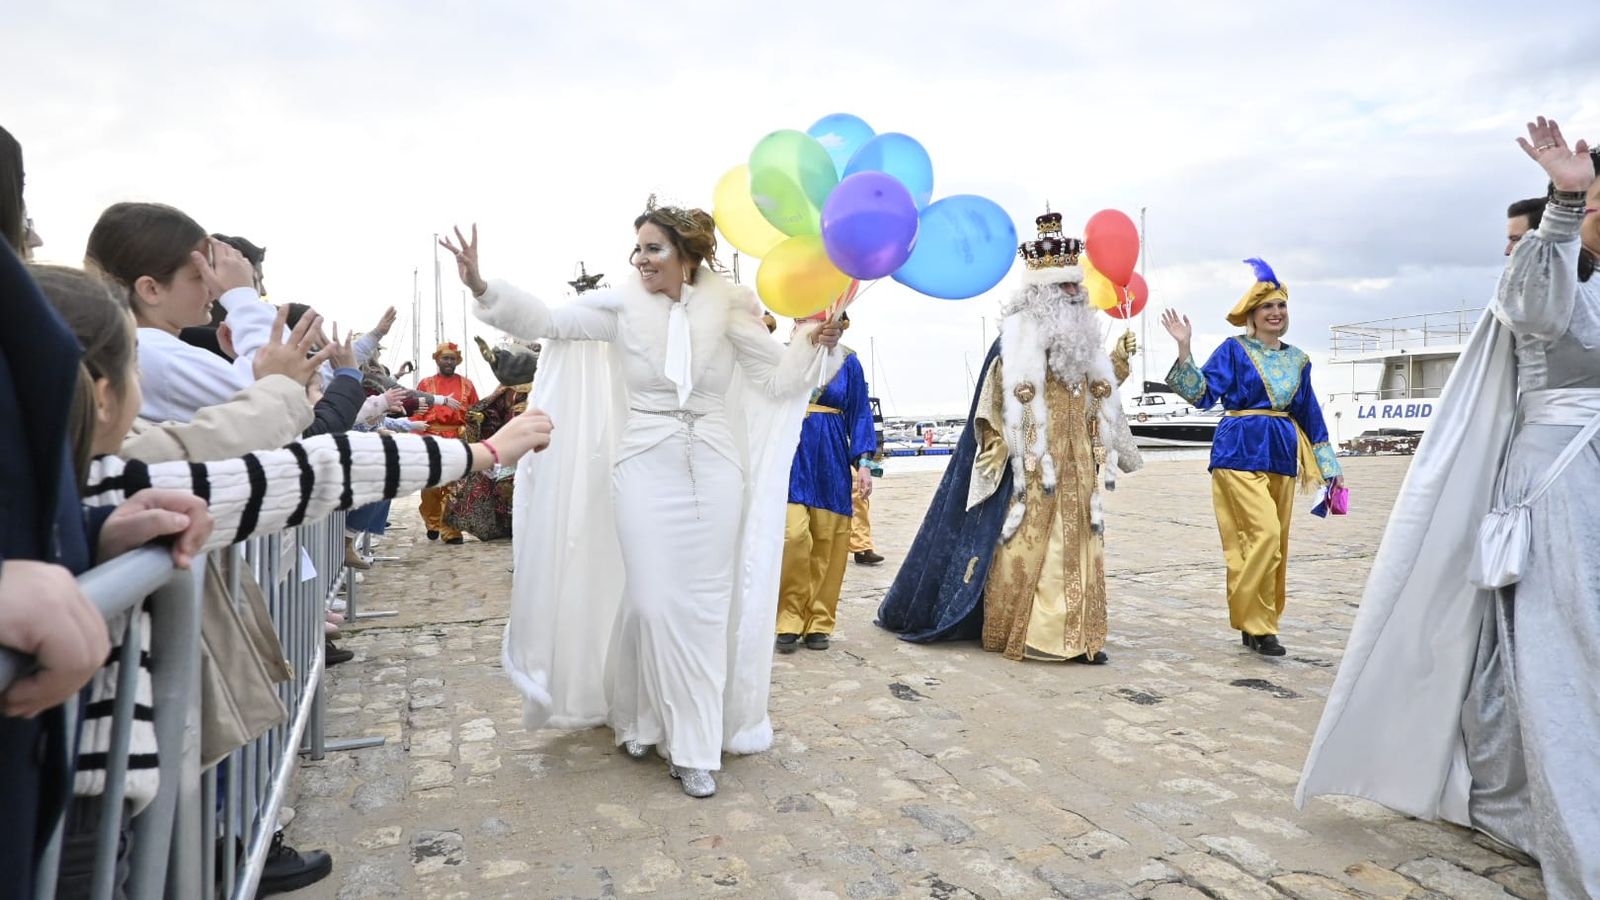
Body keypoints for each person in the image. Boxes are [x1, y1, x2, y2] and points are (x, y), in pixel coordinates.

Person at [33, 262, 554, 897]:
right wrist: (487, 453)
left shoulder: (81, 488)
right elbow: (314, 468)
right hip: (74, 806)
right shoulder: (113, 477)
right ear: (104, 393)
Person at [441, 197, 842, 798]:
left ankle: (684, 740)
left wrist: (815, 340)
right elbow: (548, 320)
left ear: (687, 254)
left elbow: (778, 381)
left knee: (702, 608)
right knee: (655, 601)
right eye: (638, 248)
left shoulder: (730, 309)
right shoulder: (619, 307)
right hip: (643, 466)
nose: (640, 259)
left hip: (715, 473)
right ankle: (643, 715)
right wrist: (482, 285)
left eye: (653, 248)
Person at [1300, 118, 1600, 899]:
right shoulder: (1545, 275)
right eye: (1588, 200)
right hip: (1559, 484)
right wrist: (1564, 202)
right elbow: (1536, 309)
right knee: (1561, 642)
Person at [876, 210, 1142, 663]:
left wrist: (1117, 360)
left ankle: (1081, 636)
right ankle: (1038, 633)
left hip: (1078, 459)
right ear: (1041, 293)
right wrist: (1002, 449)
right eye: (1064, 288)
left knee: (1081, 543)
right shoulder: (1014, 344)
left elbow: (1092, 393)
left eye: (1075, 286)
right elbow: (993, 406)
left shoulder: (1084, 344)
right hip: (1034, 461)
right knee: (1035, 544)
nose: (1074, 294)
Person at [1159, 258, 1343, 657]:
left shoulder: (1299, 360)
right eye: (1267, 308)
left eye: (1281, 307)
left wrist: (1330, 469)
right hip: (1238, 449)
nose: (1276, 314)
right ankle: (1253, 619)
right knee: (1264, 537)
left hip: (1281, 453)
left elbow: (1310, 414)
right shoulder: (1234, 350)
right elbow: (1202, 395)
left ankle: (1262, 625)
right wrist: (1184, 347)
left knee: (1276, 545)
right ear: (1252, 316)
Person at [84, 202, 278, 423]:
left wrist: (247, 359)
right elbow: (276, 407)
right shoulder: (158, 353)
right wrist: (242, 297)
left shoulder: (136, 347)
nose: (212, 288)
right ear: (151, 289)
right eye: (198, 276)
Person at [775, 313, 876, 653]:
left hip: (831, 458)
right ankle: (788, 617)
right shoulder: (782, 355)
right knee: (792, 536)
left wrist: (863, 462)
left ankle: (819, 621)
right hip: (790, 456)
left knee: (829, 542)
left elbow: (860, 411)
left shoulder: (849, 361)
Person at [412, 342, 479, 544]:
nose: (449, 362)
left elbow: (476, 411)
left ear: (457, 361)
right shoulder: (425, 384)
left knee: (454, 486)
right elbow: (416, 412)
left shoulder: (467, 385)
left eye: (452, 359)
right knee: (431, 484)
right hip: (431, 438)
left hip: (457, 439)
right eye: (445, 358)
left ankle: (450, 530)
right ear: (437, 360)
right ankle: (432, 521)